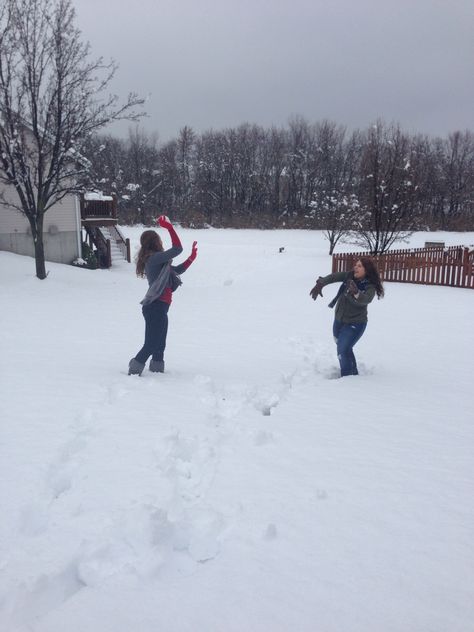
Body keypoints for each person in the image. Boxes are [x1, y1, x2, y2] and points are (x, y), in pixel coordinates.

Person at [128, 215, 197, 376]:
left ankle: (157, 372)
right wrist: (170, 228)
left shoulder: (159, 261)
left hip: (160, 307)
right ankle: (134, 369)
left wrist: (191, 259)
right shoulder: (153, 259)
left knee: (160, 344)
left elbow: (176, 271)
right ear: (155, 242)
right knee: (152, 343)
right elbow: (177, 248)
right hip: (155, 306)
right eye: (159, 239)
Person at [309, 257, 384, 377]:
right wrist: (321, 283)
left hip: (356, 323)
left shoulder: (369, 286)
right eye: (356, 265)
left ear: (367, 270)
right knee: (344, 347)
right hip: (339, 320)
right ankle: (353, 373)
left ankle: (347, 379)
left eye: (360, 266)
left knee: (342, 349)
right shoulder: (349, 276)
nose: (356, 267)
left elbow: (367, 299)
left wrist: (356, 293)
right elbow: (334, 277)